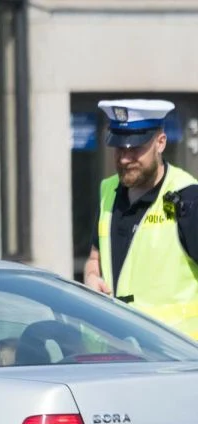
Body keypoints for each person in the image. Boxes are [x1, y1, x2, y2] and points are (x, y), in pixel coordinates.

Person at [82, 99, 198, 339]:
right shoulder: (108, 191)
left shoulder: (188, 197)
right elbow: (95, 257)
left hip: (175, 361)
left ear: (160, 143)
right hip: (114, 354)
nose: (124, 158)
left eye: (135, 148)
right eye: (119, 148)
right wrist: (91, 276)